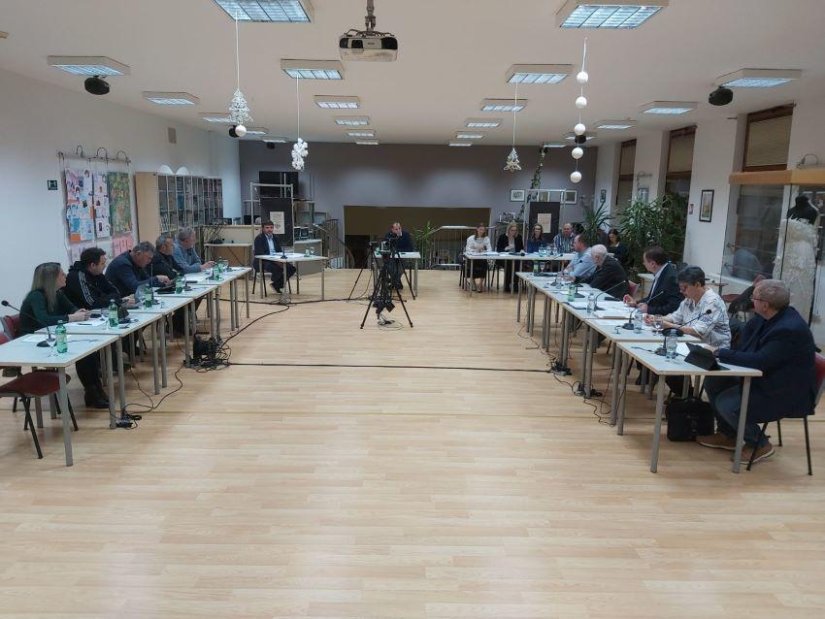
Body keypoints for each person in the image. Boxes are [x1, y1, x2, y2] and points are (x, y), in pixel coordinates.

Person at [697, 279, 817, 465]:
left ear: (765, 305)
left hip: (783, 390)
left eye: (754, 297)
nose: (751, 300)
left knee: (727, 404)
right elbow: (746, 349)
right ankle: (728, 434)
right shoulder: (764, 318)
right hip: (764, 377)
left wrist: (721, 353)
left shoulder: (788, 329)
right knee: (714, 381)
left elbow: (761, 361)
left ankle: (759, 443)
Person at [19, 262, 107, 408]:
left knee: (87, 350)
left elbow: (72, 309)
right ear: (51, 279)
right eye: (61, 274)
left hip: (52, 336)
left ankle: (96, 389)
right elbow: (44, 320)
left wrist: (80, 312)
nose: (65, 275)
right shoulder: (36, 296)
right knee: (82, 352)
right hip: (34, 341)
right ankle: (92, 392)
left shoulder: (57, 293)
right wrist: (71, 317)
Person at [651, 266, 730, 395]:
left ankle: (686, 396)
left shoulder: (713, 302)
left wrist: (668, 325)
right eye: (680, 288)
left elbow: (698, 331)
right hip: (692, 345)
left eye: (685, 287)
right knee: (661, 356)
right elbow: (675, 317)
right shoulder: (689, 300)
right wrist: (656, 318)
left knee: (669, 362)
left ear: (697, 284)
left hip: (711, 351)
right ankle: (684, 395)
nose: (681, 291)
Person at [622, 246, 682, 315]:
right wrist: (635, 302)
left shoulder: (671, 278)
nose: (643, 263)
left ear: (653, 264)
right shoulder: (660, 272)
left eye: (644, 261)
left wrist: (649, 310)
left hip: (663, 319)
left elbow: (674, 307)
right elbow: (651, 298)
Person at [106, 242, 171, 297]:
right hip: (118, 302)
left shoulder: (138, 262)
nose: (150, 261)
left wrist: (163, 284)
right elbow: (136, 287)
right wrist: (156, 278)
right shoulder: (122, 264)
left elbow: (147, 280)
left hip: (132, 299)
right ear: (138, 254)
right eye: (148, 258)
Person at [253, 220, 296, 293]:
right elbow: (259, 254)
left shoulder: (276, 238)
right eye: (267, 228)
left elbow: (279, 251)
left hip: (276, 260)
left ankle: (276, 284)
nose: (269, 229)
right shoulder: (259, 238)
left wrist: (280, 259)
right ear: (263, 229)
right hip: (263, 261)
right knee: (277, 268)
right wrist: (274, 261)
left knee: (291, 268)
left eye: (271, 227)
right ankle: (277, 282)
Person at [384, 222, 414, 289]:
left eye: (399, 228)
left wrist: (398, 250)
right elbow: (386, 247)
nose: (398, 230)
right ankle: (397, 283)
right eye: (396, 229)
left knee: (400, 269)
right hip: (392, 257)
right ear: (392, 230)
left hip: (402, 257)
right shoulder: (388, 235)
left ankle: (393, 282)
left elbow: (410, 248)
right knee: (390, 268)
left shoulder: (406, 235)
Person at [496, 222, 524, 293]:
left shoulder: (518, 237)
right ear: (508, 230)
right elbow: (498, 249)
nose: (513, 232)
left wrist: (522, 251)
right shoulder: (502, 237)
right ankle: (507, 284)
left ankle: (515, 284)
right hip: (504, 258)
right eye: (512, 230)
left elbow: (521, 248)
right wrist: (506, 248)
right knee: (509, 263)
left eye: (515, 230)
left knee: (517, 264)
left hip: (515, 257)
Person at [465, 223, 492, 292]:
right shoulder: (471, 238)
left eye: (483, 230)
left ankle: (480, 284)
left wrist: (484, 250)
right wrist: (476, 250)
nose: (481, 231)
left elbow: (489, 249)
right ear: (477, 229)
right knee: (471, 264)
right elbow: (467, 249)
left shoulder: (486, 239)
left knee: (484, 264)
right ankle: (473, 283)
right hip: (473, 257)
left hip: (482, 257)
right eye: (480, 229)